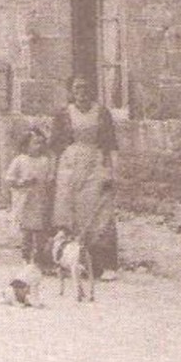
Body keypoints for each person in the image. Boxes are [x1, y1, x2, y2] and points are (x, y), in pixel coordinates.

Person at [51, 76, 119, 279]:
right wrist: (56, 168)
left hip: (95, 161)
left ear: (93, 90)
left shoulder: (102, 113)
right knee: (69, 210)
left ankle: (104, 265)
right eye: (77, 88)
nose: (82, 92)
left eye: (86, 88)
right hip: (70, 164)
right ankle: (72, 262)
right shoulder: (64, 114)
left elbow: (109, 143)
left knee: (99, 212)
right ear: (71, 91)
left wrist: (109, 170)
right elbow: (56, 143)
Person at [4, 126, 56, 271]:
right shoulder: (20, 160)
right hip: (25, 201)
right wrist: (22, 182)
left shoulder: (45, 161)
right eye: (35, 143)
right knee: (27, 232)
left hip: (40, 200)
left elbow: (50, 178)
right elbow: (9, 179)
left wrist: (49, 184)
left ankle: (40, 260)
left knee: (41, 233)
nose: (38, 147)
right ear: (25, 145)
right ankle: (26, 259)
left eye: (40, 143)